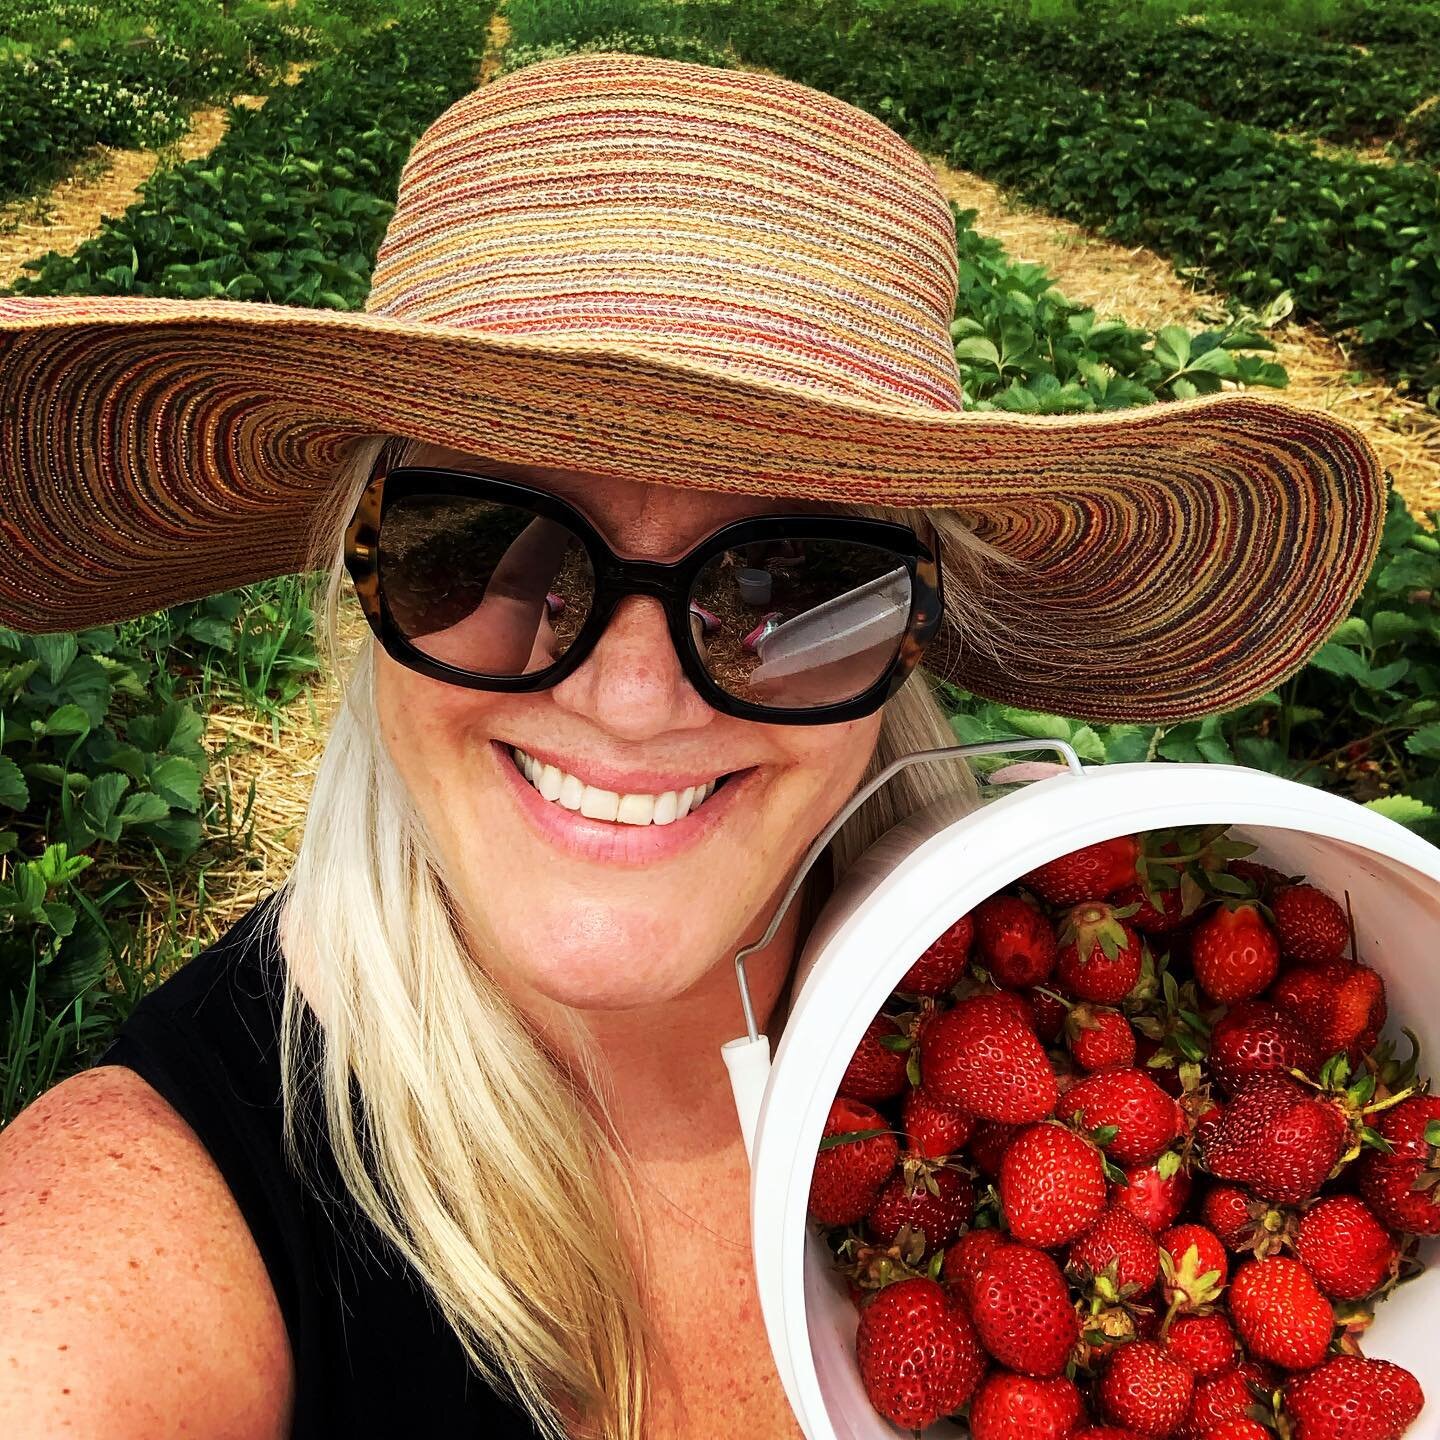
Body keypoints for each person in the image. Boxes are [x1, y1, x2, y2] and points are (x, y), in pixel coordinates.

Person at [0, 50, 1382, 1440]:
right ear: (355, 574)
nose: (632, 696)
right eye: (485, 539)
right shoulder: (131, 1233)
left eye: (789, 579)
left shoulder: (1013, 1011)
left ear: (910, 631)